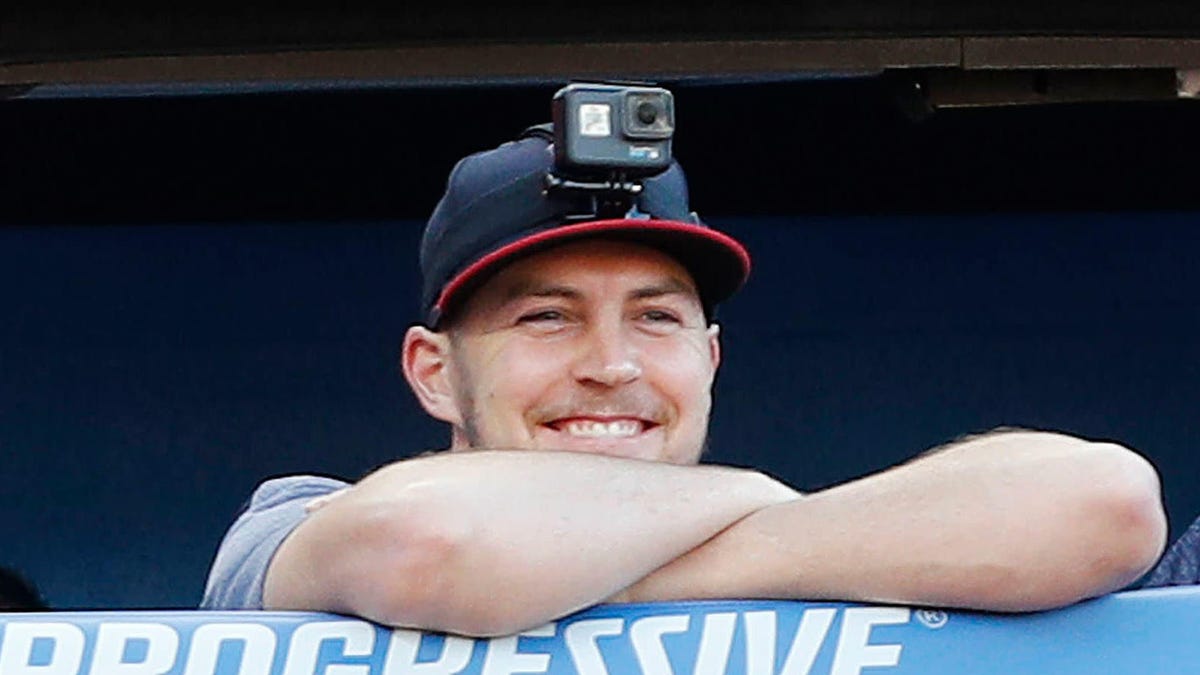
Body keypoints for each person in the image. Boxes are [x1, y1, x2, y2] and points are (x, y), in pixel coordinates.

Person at [202, 123, 1167, 637]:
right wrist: (761, 507)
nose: (611, 364)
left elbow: (1107, 502)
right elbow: (435, 544)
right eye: (546, 316)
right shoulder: (296, 521)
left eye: (657, 317)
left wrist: (734, 540)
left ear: (708, 358)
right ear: (434, 373)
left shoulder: (787, 536)